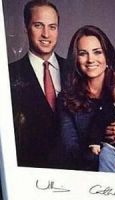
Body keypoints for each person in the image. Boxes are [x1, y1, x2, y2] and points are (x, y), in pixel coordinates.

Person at [58, 25, 115, 171]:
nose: (90, 59)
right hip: (87, 175)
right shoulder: (66, 97)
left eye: (97, 52)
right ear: (76, 59)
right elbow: (70, 150)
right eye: (83, 53)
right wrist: (110, 161)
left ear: (107, 55)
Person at [8, 0, 65, 168]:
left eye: (52, 27)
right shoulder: (8, 74)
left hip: (74, 176)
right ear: (26, 28)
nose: (46, 34)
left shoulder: (75, 71)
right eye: (38, 25)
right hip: (29, 174)